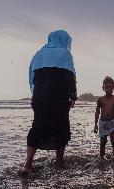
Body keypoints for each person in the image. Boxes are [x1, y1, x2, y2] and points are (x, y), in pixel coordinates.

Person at [19, 30, 77, 175]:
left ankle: (27, 165)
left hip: (40, 98)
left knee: (37, 127)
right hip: (59, 98)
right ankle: (59, 161)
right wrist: (73, 96)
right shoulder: (64, 53)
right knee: (62, 126)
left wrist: (36, 95)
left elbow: (31, 76)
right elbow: (69, 76)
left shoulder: (39, 53)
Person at [94, 76, 114, 161]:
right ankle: (101, 158)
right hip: (103, 123)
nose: (108, 89)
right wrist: (95, 125)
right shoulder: (100, 99)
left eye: (111, 87)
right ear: (103, 88)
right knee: (103, 142)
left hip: (113, 123)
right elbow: (97, 112)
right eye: (106, 87)